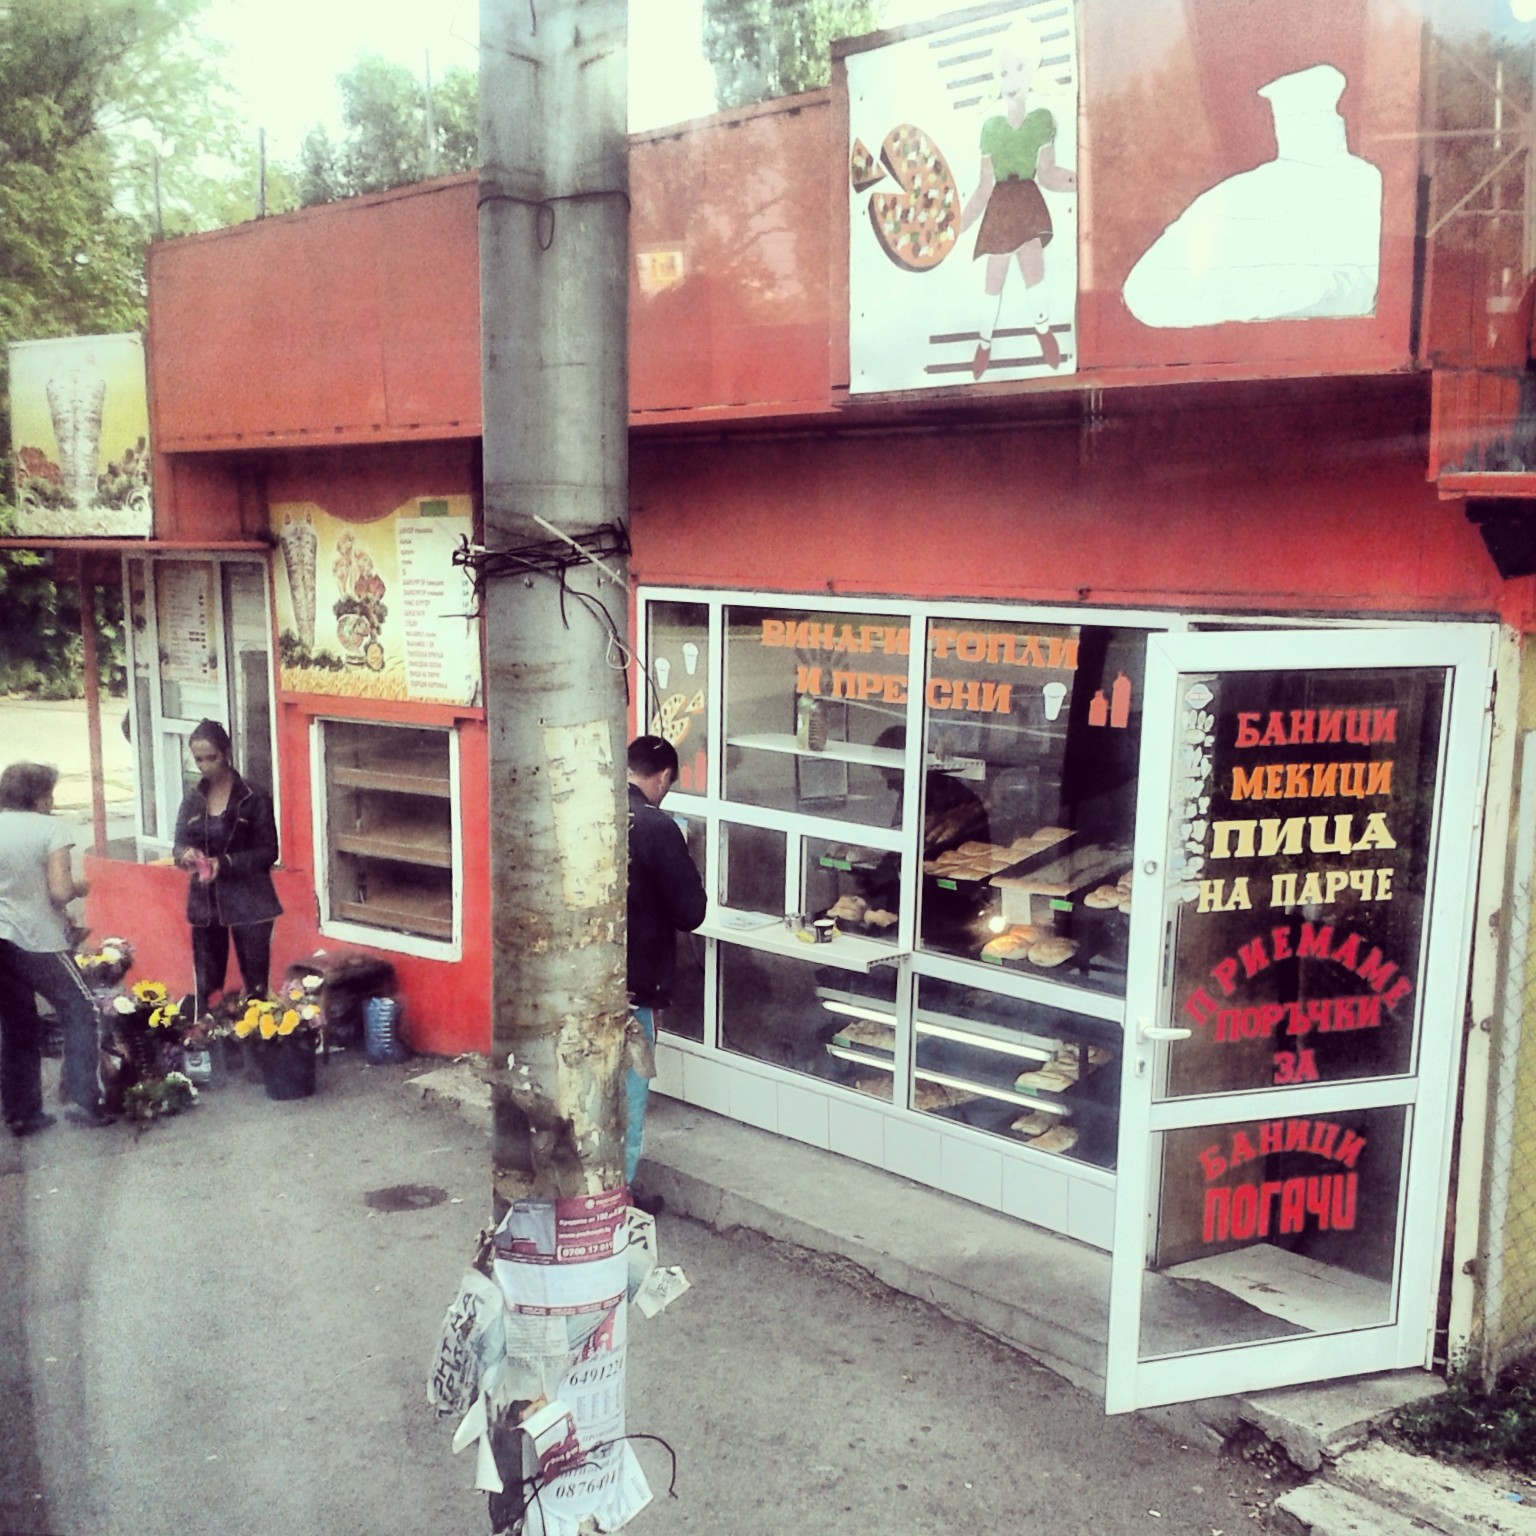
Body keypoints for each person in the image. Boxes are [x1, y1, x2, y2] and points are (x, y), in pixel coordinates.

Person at [958, 33, 1078, 378]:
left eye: (1019, 68)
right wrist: (958, 226)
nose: (1011, 79)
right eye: (1003, 72)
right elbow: (984, 186)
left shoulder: (1042, 121)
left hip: (1027, 200)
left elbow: (1048, 174)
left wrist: (1082, 181)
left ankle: (1043, 330)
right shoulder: (991, 128)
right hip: (1001, 204)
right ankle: (984, 343)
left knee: (1033, 267)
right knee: (994, 277)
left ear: (1033, 71)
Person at [0, 762, 110, 1131]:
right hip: (36, 940)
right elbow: (60, 891)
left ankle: (22, 1113)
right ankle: (84, 1100)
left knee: (17, 1023)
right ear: (39, 797)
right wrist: (80, 887)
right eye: (49, 794)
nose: (52, 801)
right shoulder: (50, 829)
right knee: (82, 1007)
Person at [626, 734, 707, 1192]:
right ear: (663, 777)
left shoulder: (594, 809)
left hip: (587, 978)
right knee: (629, 1096)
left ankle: (584, 1195)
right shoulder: (656, 827)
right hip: (635, 985)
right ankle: (617, 1201)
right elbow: (690, 911)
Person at [172, 720, 282, 1018]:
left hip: (250, 899)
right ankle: (210, 1036)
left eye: (212, 758)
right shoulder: (193, 797)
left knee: (256, 987)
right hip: (206, 903)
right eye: (198, 760)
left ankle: (258, 1038)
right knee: (208, 988)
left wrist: (226, 863)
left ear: (227, 753)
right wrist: (186, 854)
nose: (205, 766)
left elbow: (269, 851)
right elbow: (178, 845)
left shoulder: (253, 796)